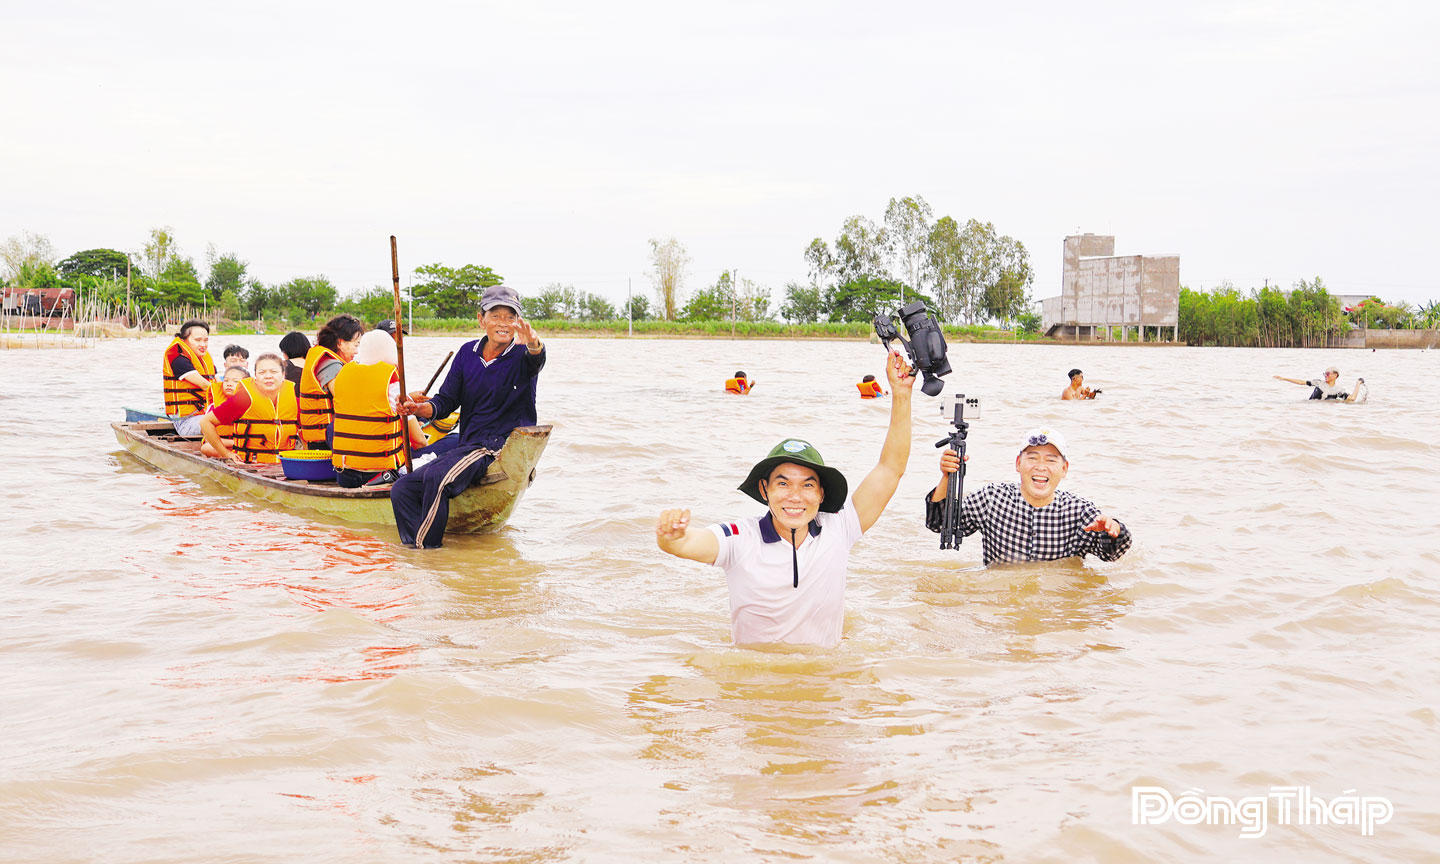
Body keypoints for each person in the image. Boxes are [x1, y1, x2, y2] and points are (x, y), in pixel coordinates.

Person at [655, 351, 915, 648]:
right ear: (764, 490)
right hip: (754, 684)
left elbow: (891, 468)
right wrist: (671, 535)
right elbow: (687, 543)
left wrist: (902, 394)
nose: (794, 497)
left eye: (807, 485)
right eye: (783, 484)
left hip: (823, 683)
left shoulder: (839, 529)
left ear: (821, 494)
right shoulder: (741, 538)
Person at [392, 285, 546, 548]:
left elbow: (537, 358)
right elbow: (446, 401)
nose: (504, 324)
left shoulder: (522, 353)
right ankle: (414, 551)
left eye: (511, 317)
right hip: (468, 446)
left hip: (495, 448)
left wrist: (533, 342)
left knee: (436, 479)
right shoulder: (467, 353)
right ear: (481, 319)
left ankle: (426, 552)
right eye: (495, 316)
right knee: (402, 489)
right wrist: (417, 410)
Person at [924, 427, 1131, 565]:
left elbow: (1112, 554)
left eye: (1051, 460)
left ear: (1064, 469)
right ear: (1018, 463)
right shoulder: (991, 499)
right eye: (1032, 458)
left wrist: (1115, 529)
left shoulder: (1079, 511)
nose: (1041, 467)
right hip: (1002, 603)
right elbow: (939, 524)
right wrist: (946, 477)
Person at [330, 330, 427, 488]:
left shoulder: (344, 374)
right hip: (381, 475)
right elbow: (420, 441)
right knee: (451, 442)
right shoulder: (392, 381)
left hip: (345, 475)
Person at [199, 353, 299, 464]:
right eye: (262, 372)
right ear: (255, 377)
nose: (268, 376)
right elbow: (205, 422)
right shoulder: (244, 399)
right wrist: (226, 454)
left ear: (283, 375)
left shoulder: (294, 399)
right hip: (251, 464)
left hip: (285, 464)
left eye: (274, 372)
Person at [298, 315, 364, 447]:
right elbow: (345, 399)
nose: (357, 351)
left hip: (322, 437)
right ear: (340, 343)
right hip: (325, 439)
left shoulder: (325, 359)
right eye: (356, 345)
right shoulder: (330, 365)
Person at [162, 319, 216, 437]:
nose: (203, 345)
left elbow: (217, 382)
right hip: (186, 422)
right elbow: (206, 386)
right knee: (226, 423)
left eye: (206, 340)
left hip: (205, 414)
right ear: (183, 340)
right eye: (197, 340)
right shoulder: (177, 359)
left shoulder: (203, 359)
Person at [1273, 366, 1362, 402]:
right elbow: (1301, 382)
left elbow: (1352, 398)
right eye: (1324, 374)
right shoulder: (1319, 383)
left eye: (1327, 374)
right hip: (1311, 407)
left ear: (1335, 375)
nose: (1325, 376)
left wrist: (1358, 384)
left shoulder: (1338, 390)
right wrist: (1284, 378)